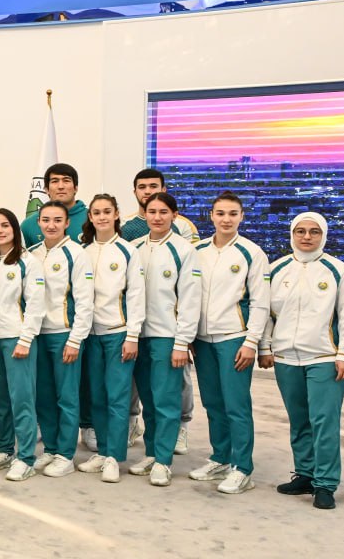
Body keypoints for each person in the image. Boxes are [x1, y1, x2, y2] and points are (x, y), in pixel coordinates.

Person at [260, 213, 344, 510]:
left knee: (324, 421)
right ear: (292, 234)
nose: (306, 236)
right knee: (299, 419)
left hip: (324, 357)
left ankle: (325, 484)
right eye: (300, 231)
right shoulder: (277, 269)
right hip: (286, 357)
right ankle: (304, 473)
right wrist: (265, 346)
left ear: (323, 235)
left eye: (314, 231)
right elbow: (265, 313)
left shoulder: (338, 270)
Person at [189, 191, 269, 495]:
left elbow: (261, 301)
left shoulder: (252, 253)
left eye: (233, 214)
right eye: (220, 213)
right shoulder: (197, 251)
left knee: (236, 404)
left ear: (241, 216)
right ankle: (220, 458)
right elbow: (188, 294)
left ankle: (243, 468)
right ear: (211, 215)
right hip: (202, 339)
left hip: (234, 338)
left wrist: (251, 341)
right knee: (212, 402)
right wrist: (189, 335)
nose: (226, 219)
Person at [121, 168, 200, 455]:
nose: (157, 217)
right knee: (150, 401)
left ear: (174, 215)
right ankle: (153, 453)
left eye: (163, 212)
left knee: (166, 400)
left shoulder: (185, 250)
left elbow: (190, 298)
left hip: (167, 335)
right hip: (138, 335)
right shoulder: (134, 248)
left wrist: (183, 341)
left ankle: (163, 461)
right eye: (152, 212)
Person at [76, 194, 144, 484]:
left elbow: (137, 294)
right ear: (90, 217)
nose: (102, 217)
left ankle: (115, 457)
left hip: (118, 333)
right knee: (96, 396)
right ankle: (103, 451)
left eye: (107, 211)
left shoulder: (128, 251)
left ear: (116, 214)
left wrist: (133, 335)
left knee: (117, 396)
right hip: (90, 335)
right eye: (97, 212)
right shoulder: (83, 252)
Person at [27, 200, 93, 478]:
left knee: (66, 397)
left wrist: (75, 339)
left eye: (57, 220)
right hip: (36, 335)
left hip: (64, 334)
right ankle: (51, 448)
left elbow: (85, 300)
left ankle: (66, 455)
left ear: (67, 223)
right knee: (43, 396)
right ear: (38, 223)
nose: (51, 225)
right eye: (46, 220)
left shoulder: (76, 254)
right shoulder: (31, 253)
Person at [0, 207, 45, 481]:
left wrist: (26, 338)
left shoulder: (27, 262)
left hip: (16, 339)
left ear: (15, 229)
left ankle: (26, 457)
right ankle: (5, 449)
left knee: (22, 399)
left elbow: (36, 303)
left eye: (5, 225)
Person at [119, 169, 200, 243]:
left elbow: (192, 252)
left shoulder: (184, 225)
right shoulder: (123, 225)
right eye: (142, 187)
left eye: (153, 186)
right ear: (135, 192)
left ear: (163, 190)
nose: (147, 191)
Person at [19, 163, 88, 247]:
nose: (60, 186)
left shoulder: (92, 219)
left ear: (76, 188)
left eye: (66, 181)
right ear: (46, 189)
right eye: (55, 181)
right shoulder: (28, 225)